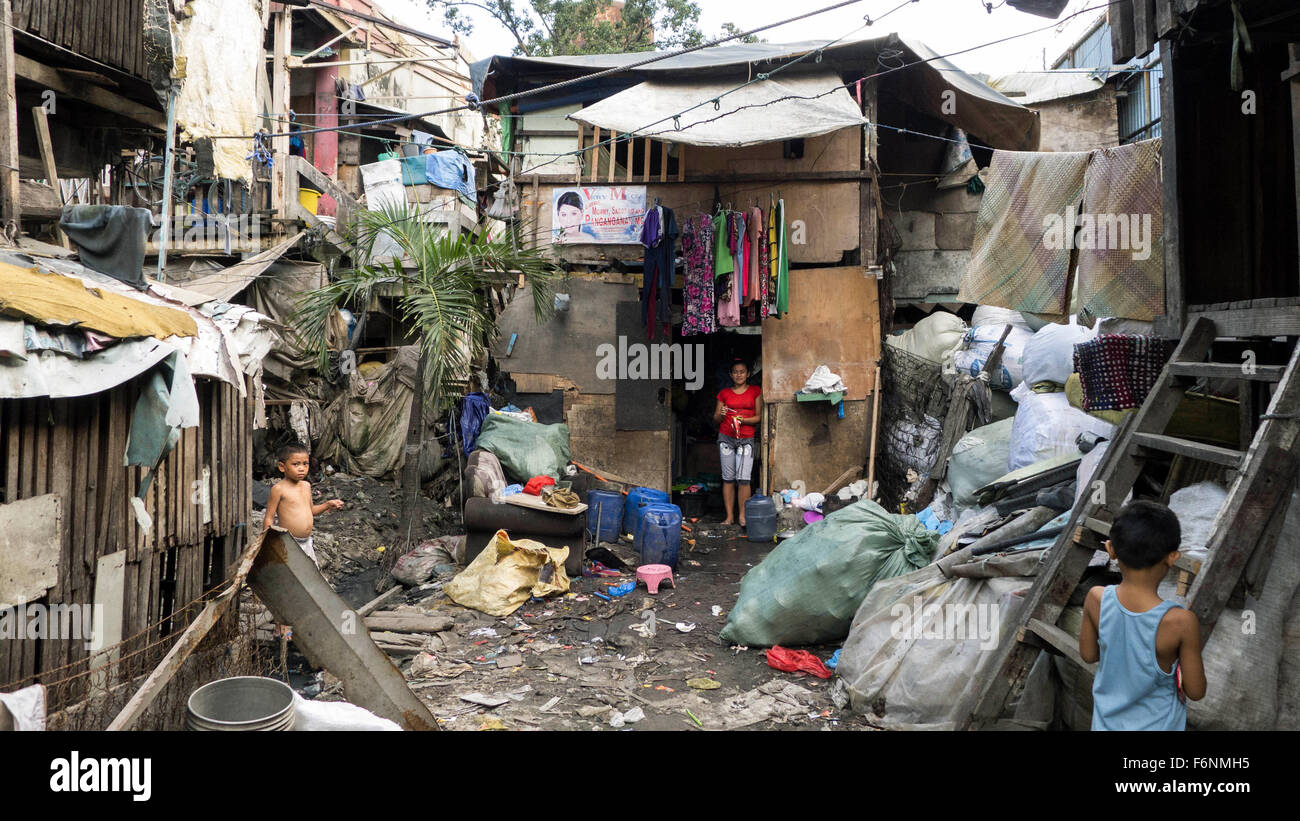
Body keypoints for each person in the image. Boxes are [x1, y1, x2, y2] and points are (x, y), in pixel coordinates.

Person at [1079, 500, 1207, 730]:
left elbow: (1089, 655)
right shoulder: (1180, 622)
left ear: (1111, 549)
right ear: (1172, 557)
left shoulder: (1096, 598)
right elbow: (1195, 691)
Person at [263, 443, 343, 566]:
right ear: (282, 467)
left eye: (305, 464)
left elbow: (311, 511)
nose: (301, 468)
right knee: (292, 575)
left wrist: (327, 504)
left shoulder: (306, 486)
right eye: (296, 464)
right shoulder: (279, 489)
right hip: (289, 543)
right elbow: (269, 517)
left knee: (310, 574)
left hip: (307, 542)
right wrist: (268, 542)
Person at [713, 360, 762, 528]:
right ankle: (729, 517)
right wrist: (722, 413)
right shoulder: (724, 394)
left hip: (746, 439)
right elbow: (716, 418)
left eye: (742, 371)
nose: (739, 374)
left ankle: (742, 516)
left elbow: (759, 417)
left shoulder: (756, 391)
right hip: (726, 437)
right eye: (735, 372)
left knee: (744, 479)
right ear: (731, 375)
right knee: (728, 479)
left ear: (748, 374)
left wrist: (743, 420)